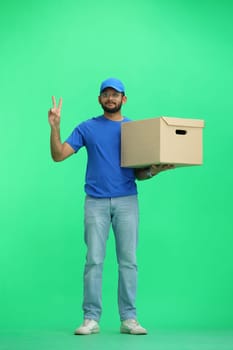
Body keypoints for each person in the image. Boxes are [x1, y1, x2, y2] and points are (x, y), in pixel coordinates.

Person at [48, 78, 173, 335]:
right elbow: (59, 155)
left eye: (115, 94)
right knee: (94, 260)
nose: (110, 98)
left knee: (128, 261)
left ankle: (129, 319)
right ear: (99, 99)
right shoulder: (87, 128)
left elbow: (139, 173)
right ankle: (90, 319)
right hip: (95, 202)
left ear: (124, 99)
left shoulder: (135, 130)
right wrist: (55, 126)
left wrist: (154, 171)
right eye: (105, 94)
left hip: (127, 201)